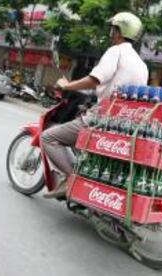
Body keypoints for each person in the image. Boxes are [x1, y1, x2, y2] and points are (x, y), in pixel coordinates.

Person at [42, 12, 148, 198]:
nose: (110, 33)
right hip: (126, 125)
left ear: (118, 31)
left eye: (112, 29)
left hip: (103, 119)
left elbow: (95, 79)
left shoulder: (116, 51)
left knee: (48, 137)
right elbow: (113, 86)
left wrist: (68, 85)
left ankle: (71, 177)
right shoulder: (141, 64)